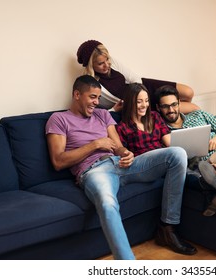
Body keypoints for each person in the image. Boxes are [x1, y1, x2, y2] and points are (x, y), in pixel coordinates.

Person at [45, 75, 197, 259]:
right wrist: (95, 144)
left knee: (177, 153)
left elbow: (118, 147)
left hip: (122, 165)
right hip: (94, 171)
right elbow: (58, 161)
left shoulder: (102, 114)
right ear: (77, 94)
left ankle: (168, 227)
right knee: (108, 203)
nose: (96, 102)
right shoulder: (59, 119)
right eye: (92, 97)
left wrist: (126, 153)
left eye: (98, 98)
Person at [116, 83, 216, 217]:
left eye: (146, 101)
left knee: (184, 162)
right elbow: (122, 153)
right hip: (147, 163)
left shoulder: (154, 117)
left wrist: (188, 151)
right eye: (139, 102)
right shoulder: (122, 127)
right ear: (129, 103)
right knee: (178, 163)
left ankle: (210, 187)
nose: (144, 105)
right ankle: (213, 185)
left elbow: (169, 142)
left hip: (165, 157)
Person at [76, 40, 200, 114]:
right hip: (138, 103)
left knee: (188, 92)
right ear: (90, 65)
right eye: (100, 63)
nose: (107, 65)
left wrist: (140, 92)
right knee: (194, 109)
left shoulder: (111, 61)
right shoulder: (90, 83)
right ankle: (172, 118)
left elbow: (135, 78)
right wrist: (118, 108)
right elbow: (95, 111)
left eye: (107, 59)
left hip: (143, 86)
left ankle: (174, 116)